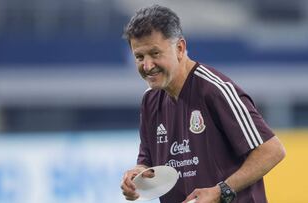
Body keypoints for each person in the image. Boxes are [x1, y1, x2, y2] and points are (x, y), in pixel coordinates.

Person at [120, 4, 286, 203]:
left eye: (155, 54)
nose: (147, 66)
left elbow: (272, 150)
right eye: (139, 57)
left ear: (180, 48)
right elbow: (147, 162)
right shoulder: (150, 101)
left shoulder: (213, 90)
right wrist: (136, 177)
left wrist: (221, 190)